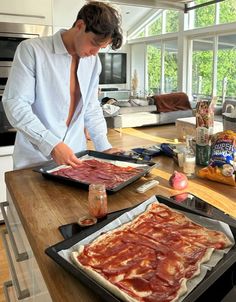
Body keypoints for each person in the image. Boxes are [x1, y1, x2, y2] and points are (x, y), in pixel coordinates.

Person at [3, 1, 123, 169]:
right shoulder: (32, 50)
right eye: (95, 43)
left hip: (76, 157)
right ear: (80, 25)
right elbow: (15, 104)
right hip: (34, 160)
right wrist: (52, 145)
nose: (96, 52)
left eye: (101, 48)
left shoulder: (93, 62)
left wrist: (104, 146)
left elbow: (91, 107)